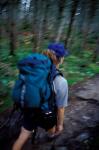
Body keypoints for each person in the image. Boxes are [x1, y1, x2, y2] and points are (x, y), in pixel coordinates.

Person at [12, 43, 69, 150]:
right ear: (60, 59)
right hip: (45, 113)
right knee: (51, 129)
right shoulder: (61, 81)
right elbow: (61, 108)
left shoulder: (32, 71)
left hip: (29, 108)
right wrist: (60, 125)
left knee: (22, 136)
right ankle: (51, 135)